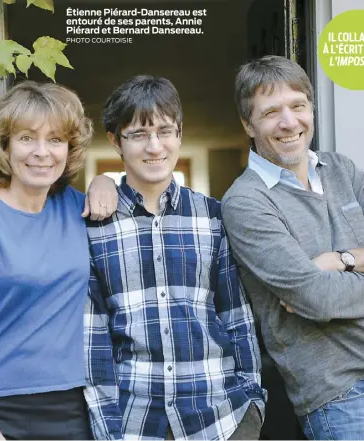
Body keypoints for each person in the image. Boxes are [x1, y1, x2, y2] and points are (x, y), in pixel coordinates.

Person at [84, 75, 267, 441]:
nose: (155, 146)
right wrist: (107, 430)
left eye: (165, 131)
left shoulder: (214, 216)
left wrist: (253, 406)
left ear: (179, 134)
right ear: (115, 141)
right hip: (135, 424)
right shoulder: (94, 227)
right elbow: (94, 339)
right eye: (138, 134)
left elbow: (237, 317)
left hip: (221, 420)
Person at [221, 55, 364, 441]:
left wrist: (341, 260)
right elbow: (314, 296)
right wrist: (330, 279)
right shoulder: (246, 202)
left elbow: (321, 288)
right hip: (341, 395)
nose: (289, 122)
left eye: (298, 106)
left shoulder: (343, 171)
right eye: (271, 113)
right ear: (248, 125)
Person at [0, 80, 117, 440]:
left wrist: (107, 182)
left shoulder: (78, 208)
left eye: (55, 140)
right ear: (6, 145)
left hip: (75, 406)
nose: (42, 152)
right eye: (26, 138)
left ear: (70, 148)